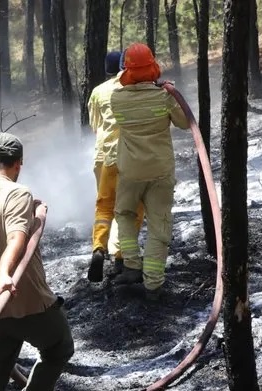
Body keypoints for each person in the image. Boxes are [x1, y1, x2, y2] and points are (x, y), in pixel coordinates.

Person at [0, 132, 74, 391]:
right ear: (18, 164)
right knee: (59, 347)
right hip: (25, 304)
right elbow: (16, 237)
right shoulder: (18, 193)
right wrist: (5, 274)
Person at [110, 43, 190, 301]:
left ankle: (132, 265)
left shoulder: (117, 98)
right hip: (160, 172)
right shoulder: (164, 96)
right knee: (159, 225)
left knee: (124, 214)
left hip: (130, 172)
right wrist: (170, 93)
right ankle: (153, 284)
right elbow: (184, 123)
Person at [87, 51, 145, 282]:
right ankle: (122, 257)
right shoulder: (135, 89)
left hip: (103, 159)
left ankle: (99, 248)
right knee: (131, 209)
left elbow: (95, 126)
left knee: (104, 207)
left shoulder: (98, 92)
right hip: (130, 158)